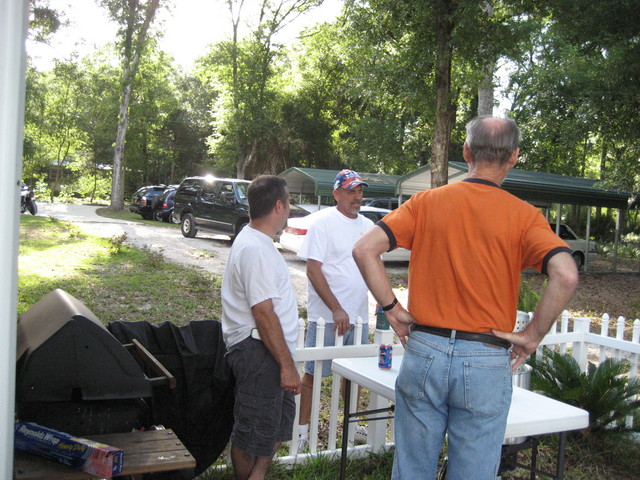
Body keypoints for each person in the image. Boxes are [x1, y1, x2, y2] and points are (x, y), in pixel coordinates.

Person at [353, 116, 579, 480]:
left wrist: (393, 310)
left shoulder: (426, 203)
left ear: (466, 152)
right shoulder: (525, 217)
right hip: (486, 356)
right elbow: (566, 275)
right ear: (514, 157)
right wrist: (532, 335)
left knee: (411, 470)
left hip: (425, 348)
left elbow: (365, 249)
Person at [221, 175, 302, 480]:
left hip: (271, 350)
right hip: (258, 350)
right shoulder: (254, 248)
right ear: (279, 206)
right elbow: (263, 313)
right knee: (251, 434)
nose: (290, 207)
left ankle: (257, 475)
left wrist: (286, 360)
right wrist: (287, 366)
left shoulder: (260, 243)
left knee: (276, 425)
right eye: (289, 201)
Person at [297, 169, 373, 449]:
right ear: (336, 194)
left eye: (360, 191)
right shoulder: (323, 223)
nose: (357, 196)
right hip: (326, 318)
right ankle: (302, 432)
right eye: (351, 191)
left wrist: (382, 301)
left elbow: (373, 266)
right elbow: (313, 270)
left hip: (359, 316)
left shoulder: (368, 225)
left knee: (354, 376)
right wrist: (336, 308)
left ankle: (351, 428)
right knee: (313, 374)